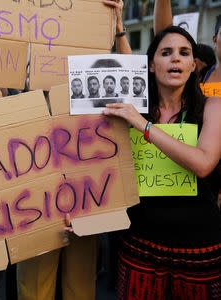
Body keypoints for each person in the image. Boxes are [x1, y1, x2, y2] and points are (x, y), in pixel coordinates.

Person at [101, 26, 221, 299]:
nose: (175, 59)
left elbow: (203, 164)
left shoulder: (213, 107)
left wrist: (145, 127)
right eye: (166, 53)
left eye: (184, 53)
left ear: (193, 64)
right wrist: (119, 30)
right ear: (152, 66)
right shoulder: (133, 110)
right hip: (140, 244)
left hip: (198, 249)